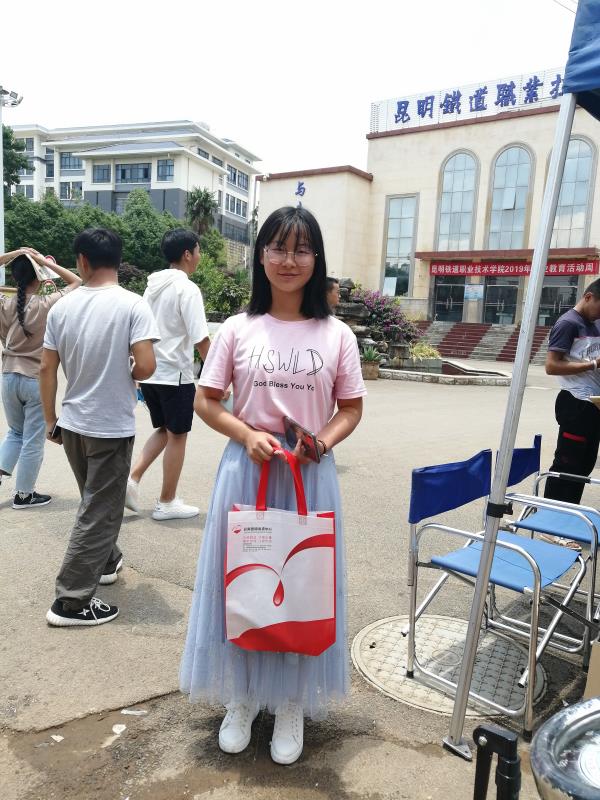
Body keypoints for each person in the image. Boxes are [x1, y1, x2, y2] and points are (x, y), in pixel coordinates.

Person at [180, 206, 365, 765]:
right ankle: (241, 698)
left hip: (308, 476)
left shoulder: (337, 335)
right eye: (278, 248)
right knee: (244, 584)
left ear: (316, 259)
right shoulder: (237, 329)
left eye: (301, 249)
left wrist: (321, 443)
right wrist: (246, 434)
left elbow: (350, 409)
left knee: (302, 589)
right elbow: (206, 401)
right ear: (261, 256)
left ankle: (289, 703)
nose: (289, 260)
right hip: (248, 472)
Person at [40, 228, 159, 627]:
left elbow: (47, 368)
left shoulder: (62, 308)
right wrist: (129, 369)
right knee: (100, 509)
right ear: (117, 260)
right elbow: (147, 366)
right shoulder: (133, 305)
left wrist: (51, 420)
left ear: (82, 261)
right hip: (109, 425)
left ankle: (106, 562)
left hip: (73, 423)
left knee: (95, 502)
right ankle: (71, 602)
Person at [126, 228, 210, 520]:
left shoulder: (152, 287)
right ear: (187, 254)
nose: (199, 256)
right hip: (175, 375)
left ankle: (132, 479)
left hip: (150, 372)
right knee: (178, 435)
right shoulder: (187, 288)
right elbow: (201, 339)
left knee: (164, 430)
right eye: (198, 251)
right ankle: (167, 501)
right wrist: (220, 376)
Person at [0, 248, 81, 508]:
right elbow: (77, 281)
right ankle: (24, 495)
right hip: (34, 379)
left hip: (8, 375)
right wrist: (42, 262)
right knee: (32, 440)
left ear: (14, 276)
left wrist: (15, 253)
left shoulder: (4, 302)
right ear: (38, 276)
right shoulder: (48, 303)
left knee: (15, 432)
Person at [544, 278, 600, 504]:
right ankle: (551, 517)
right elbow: (551, 366)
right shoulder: (568, 323)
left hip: (593, 403)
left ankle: (569, 514)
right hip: (575, 404)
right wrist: (593, 364)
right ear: (588, 297)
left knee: (584, 465)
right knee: (567, 464)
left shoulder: (595, 323)